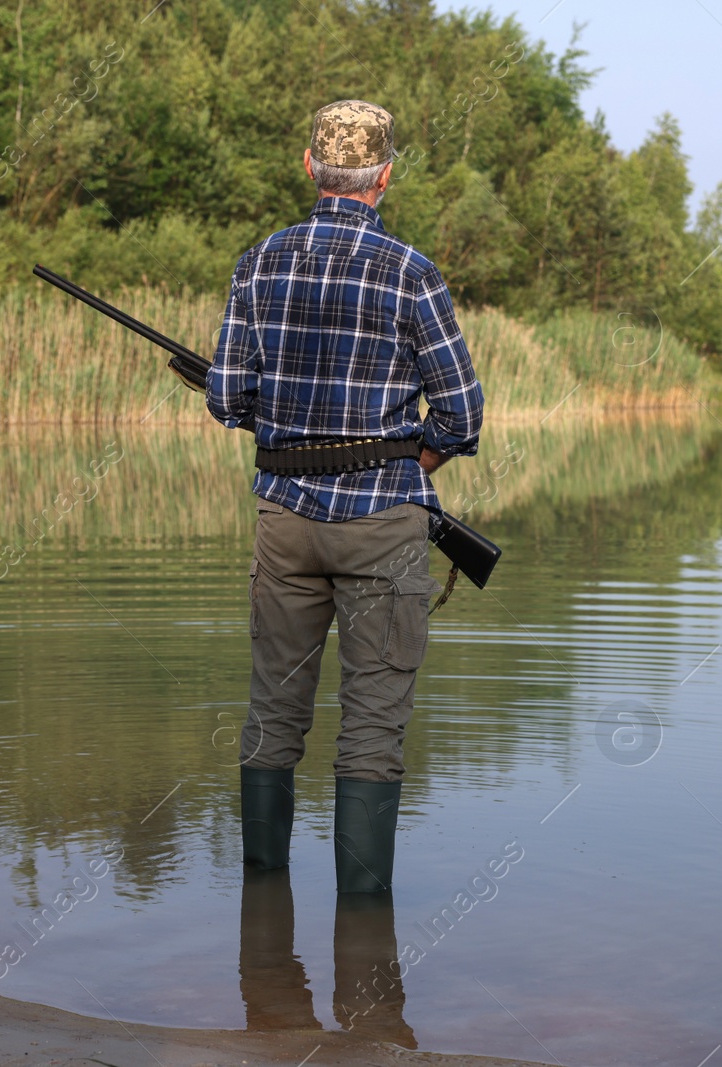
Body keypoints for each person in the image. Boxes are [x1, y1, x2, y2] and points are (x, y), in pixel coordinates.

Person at [206, 100, 483, 894]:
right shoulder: (411, 271)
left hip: (284, 520)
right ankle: (366, 936)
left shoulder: (259, 261)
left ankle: (264, 915)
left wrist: (289, 427)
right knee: (372, 728)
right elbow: (461, 412)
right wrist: (412, 462)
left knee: (272, 714)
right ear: (385, 176)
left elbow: (227, 396)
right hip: (384, 524)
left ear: (309, 167)